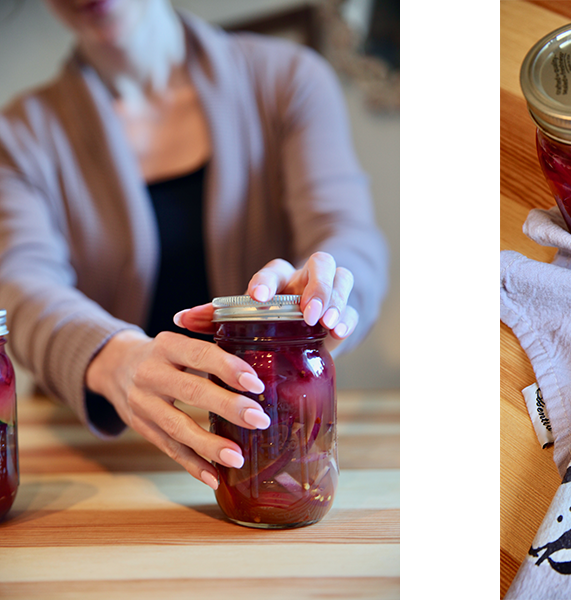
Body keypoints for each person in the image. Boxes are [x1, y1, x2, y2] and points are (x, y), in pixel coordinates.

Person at [0, 0, 389, 491]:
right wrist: (114, 358)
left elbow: (349, 235)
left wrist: (326, 292)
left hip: (268, 441)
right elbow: (21, 283)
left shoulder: (288, 77)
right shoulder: (19, 136)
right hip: (99, 457)